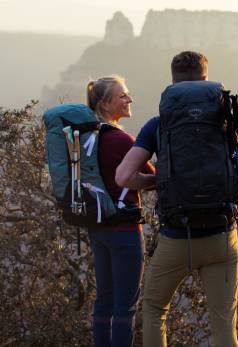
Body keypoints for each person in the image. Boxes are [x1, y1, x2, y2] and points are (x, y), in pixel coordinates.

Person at [115, 51, 238, 347]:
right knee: (224, 326)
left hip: (176, 237)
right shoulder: (229, 119)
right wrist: (234, 178)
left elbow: (123, 177)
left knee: (153, 310)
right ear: (206, 78)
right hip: (222, 238)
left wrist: (158, 183)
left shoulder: (159, 124)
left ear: (173, 81)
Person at [86, 75, 155, 347]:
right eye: (122, 95)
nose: (129, 99)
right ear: (105, 104)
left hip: (98, 228)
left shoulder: (90, 138)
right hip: (125, 231)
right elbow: (153, 177)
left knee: (104, 301)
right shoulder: (122, 140)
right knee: (125, 308)